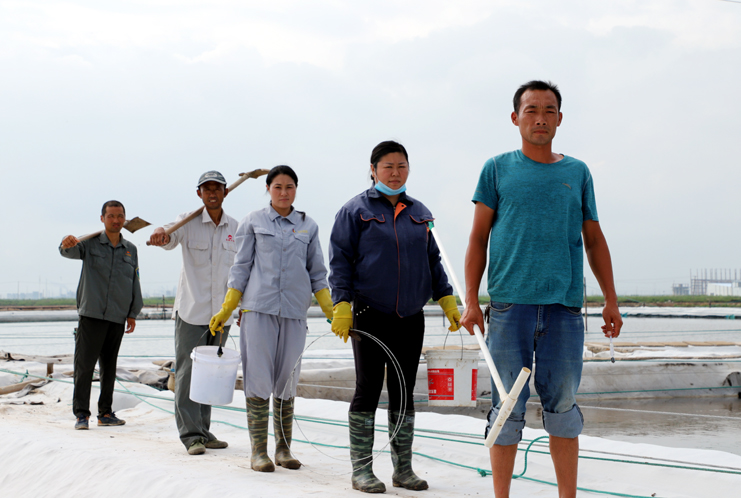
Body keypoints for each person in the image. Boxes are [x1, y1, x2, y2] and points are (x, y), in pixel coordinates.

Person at [460, 80, 623, 498]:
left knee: (563, 410)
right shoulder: (497, 169)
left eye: (549, 111)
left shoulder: (577, 172)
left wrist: (610, 299)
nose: (540, 118)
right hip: (508, 307)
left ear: (560, 119)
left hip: (563, 309)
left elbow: (594, 239)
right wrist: (472, 301)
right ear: (515, 118)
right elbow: (478, 239)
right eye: (531, 110)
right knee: (506, 407)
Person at [328, 140, 462, 493]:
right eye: (387, 166)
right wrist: (342, 304)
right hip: (370, 312)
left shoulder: (420, 213)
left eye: (401, 166)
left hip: (411, 316)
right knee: (368, 388)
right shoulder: (354, 211)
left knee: (403, 390)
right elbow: (340, 260)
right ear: (373, 170)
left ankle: (403, 469)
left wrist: (447, 299)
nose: (395, 172)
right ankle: (362, 471)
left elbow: (434, 261)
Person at [209, 165, 333, 473]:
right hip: (258, 310)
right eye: (278, 187)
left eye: (289, 187)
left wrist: (331, 311)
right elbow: (241, 267)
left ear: (296, 190)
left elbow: (317, 272)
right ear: (268, 189)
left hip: (294, 312)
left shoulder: (308, 226)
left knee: (287, 380)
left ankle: (283, 449)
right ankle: (258, 452)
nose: (284, 192)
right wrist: (227, 307)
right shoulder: (253, 221)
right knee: (258, 377)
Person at [148, 170, 238, 456]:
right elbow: (168, 235)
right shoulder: (187, 222)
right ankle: (190, 435)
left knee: (211, 374)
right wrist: (160, 233)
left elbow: (240, 271)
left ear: (225, 192)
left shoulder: (235, 228)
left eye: (217, 188)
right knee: (188, 373)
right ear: (199, 193)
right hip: (192, 311)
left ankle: (204, 431)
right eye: (206, 189)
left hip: (221, 315)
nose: (212, 193)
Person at [60, 200, 143, 430]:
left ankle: (105, 413)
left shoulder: (130, 249)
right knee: (84, 366)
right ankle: (81, 415)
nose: (116, 220)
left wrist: (133, 313)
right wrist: (66, 242)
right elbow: (67, 251)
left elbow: (134, 281)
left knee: (109, 367)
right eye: (111, 216)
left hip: (117, 316)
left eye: (120, 216)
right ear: (102, 218)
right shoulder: (89, 243)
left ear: (124, 219)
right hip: (92, 314)